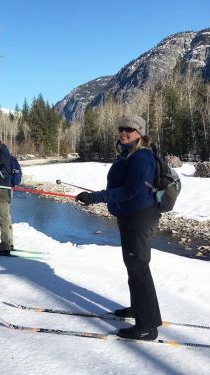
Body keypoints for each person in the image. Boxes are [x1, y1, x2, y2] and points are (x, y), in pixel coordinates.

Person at [75, 115, 162, 341]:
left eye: (129, 129)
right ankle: (138, 309)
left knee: (139, 267)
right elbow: (123, 187)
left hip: (139, 216)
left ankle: (148, 325)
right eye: (121, 128)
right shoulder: (128, 154)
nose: (123, 132)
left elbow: (129, 191)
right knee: (133, 264)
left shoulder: (141, 157)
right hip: (130, 215)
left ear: (140, 133)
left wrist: (96, 197)